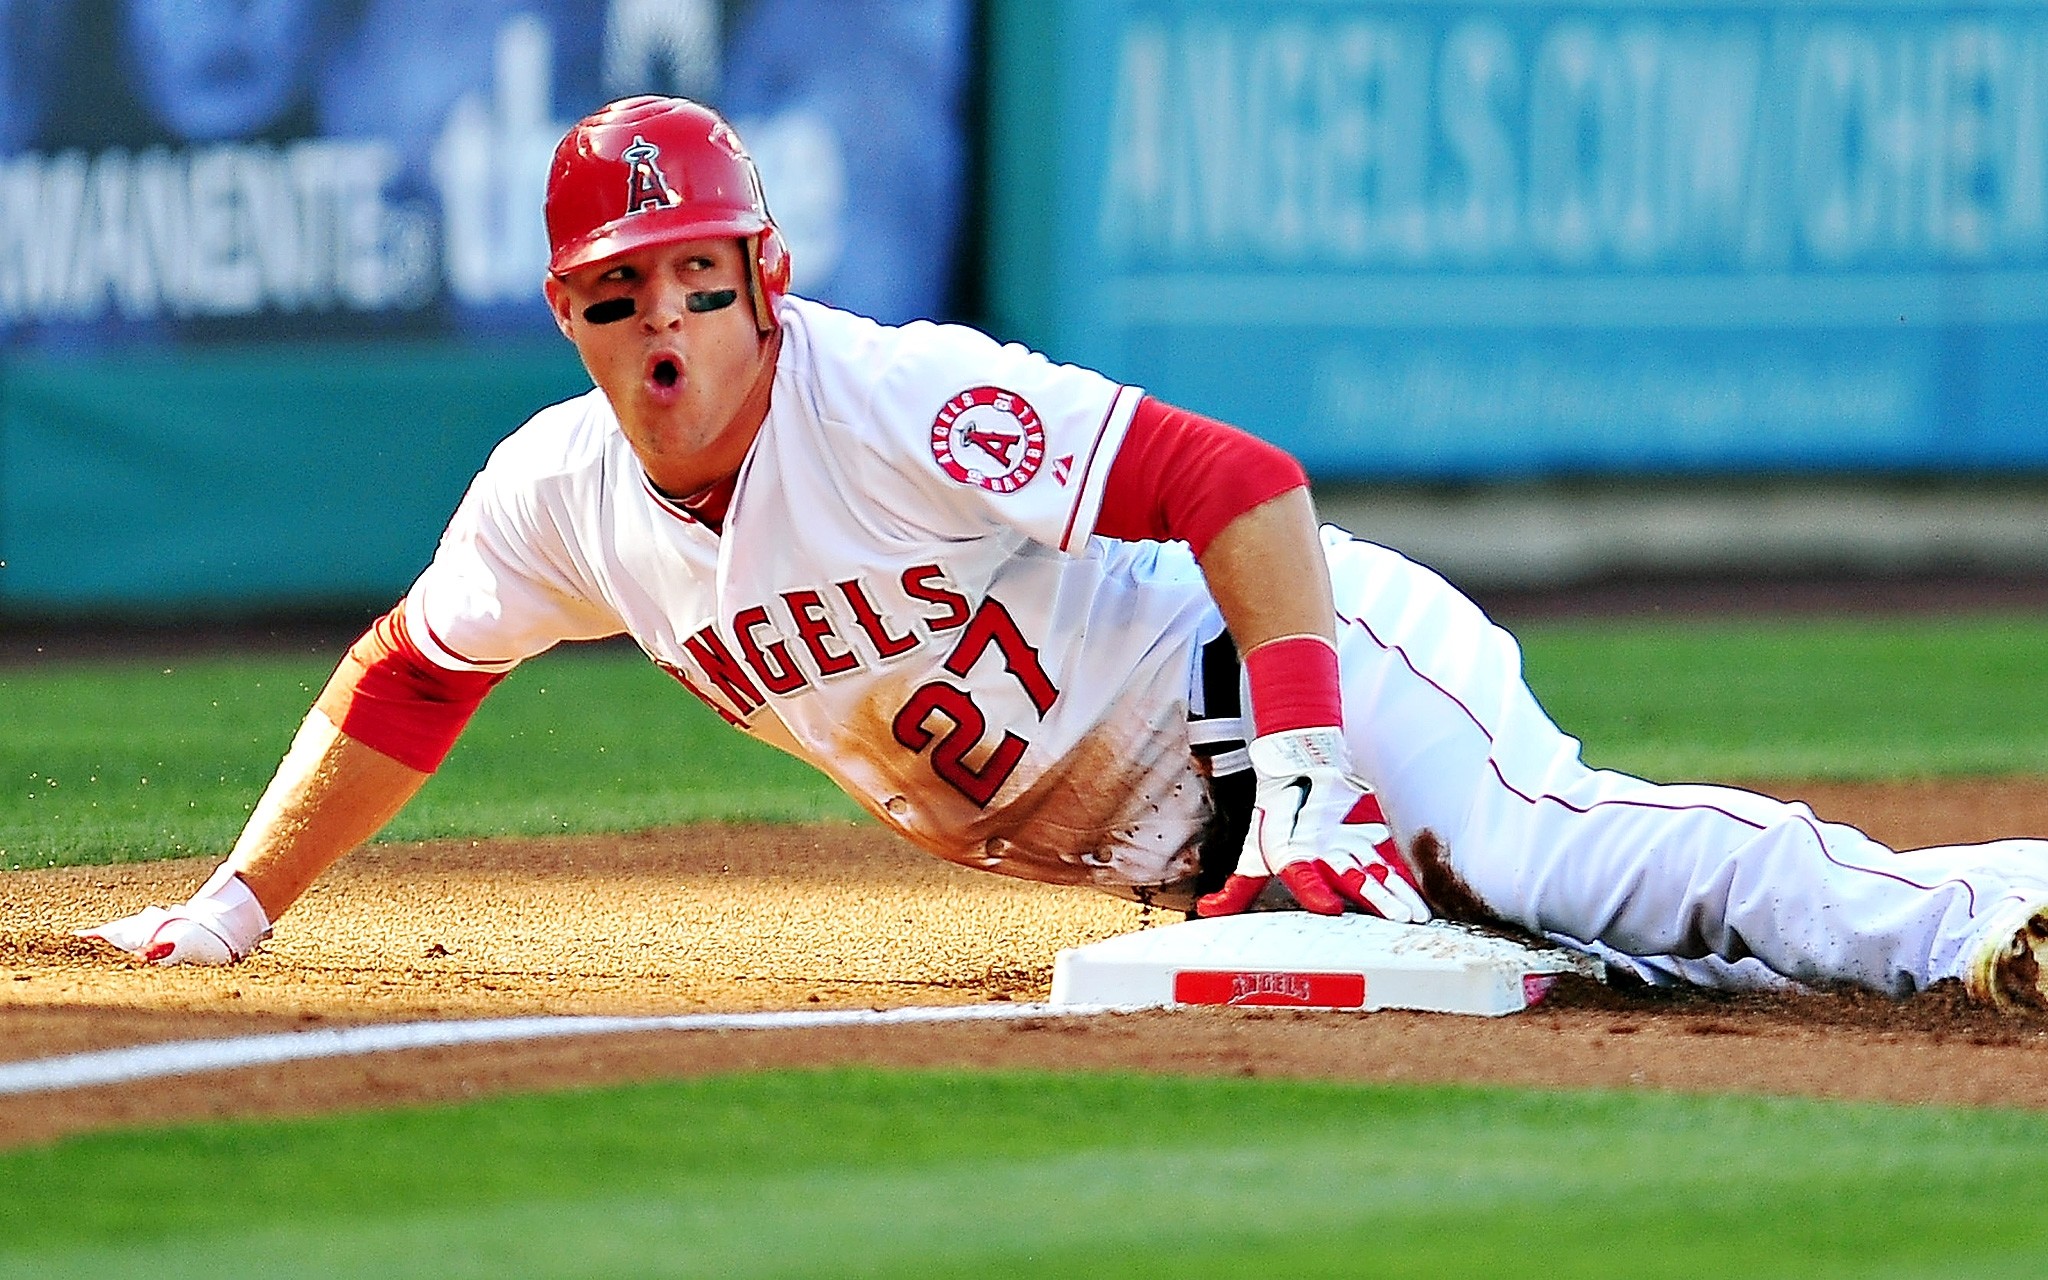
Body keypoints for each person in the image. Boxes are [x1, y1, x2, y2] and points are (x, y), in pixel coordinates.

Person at [82, 95, 2048, 1012]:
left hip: (1304, 667)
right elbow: (419, 670)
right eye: (621, 298)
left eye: (697, 281)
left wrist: (1312, 779)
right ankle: (1987, 904)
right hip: (1175, 837)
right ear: (571, 320)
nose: (665, 330)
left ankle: (1976, 927)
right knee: (1607, 968)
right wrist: (245, 901)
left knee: (1545, 849)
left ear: (765, 281)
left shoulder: (895, 397)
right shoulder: (554, 499)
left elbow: (1244, 484)